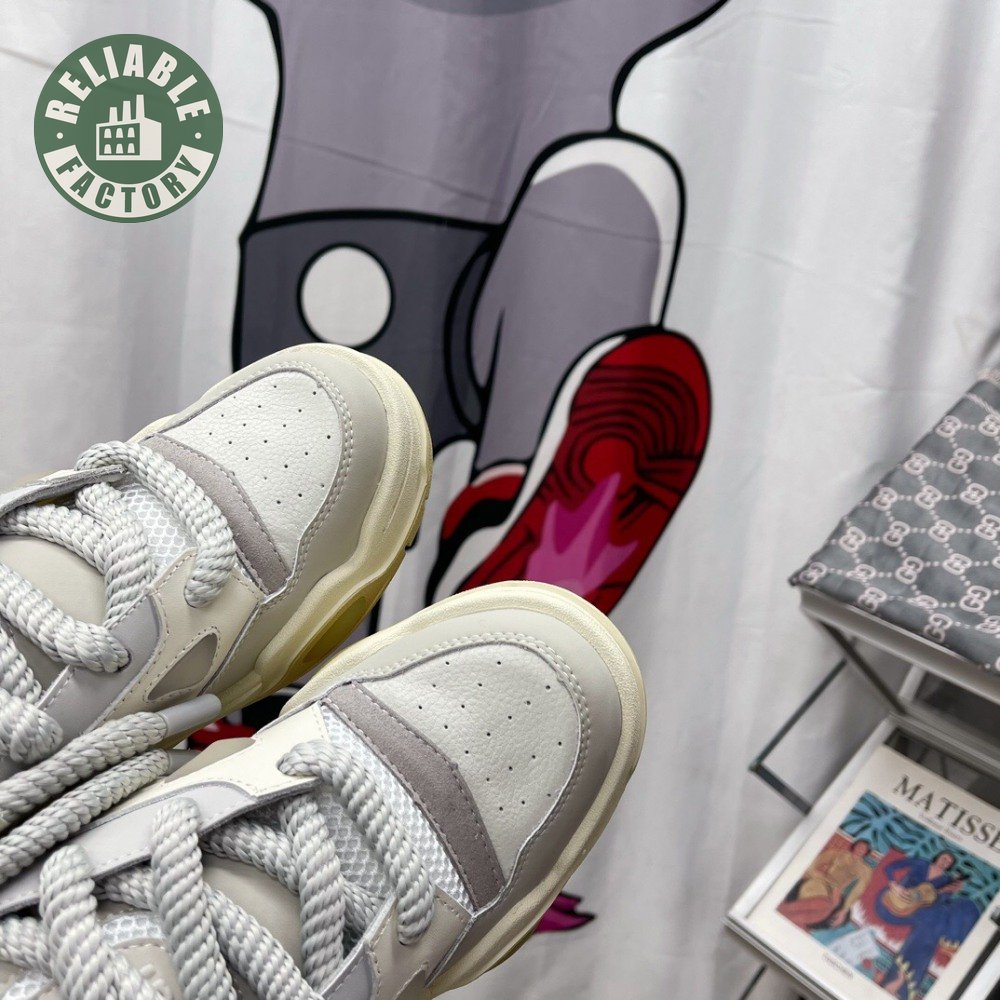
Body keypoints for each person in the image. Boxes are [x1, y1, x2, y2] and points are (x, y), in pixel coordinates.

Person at [778, 838, 874, 930]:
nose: (860, 850)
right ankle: (787, 914)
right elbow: (813, 863)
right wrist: (815, 875)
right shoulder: (838, 854)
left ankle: (785, 914)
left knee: (831, 907)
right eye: (859, 846)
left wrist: (844, 909)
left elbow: (857, 891)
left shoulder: (865, 869)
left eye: (863, 849)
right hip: (822, 881)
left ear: (866, 852)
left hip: (837, 890)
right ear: (854, 846)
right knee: (824, 905)